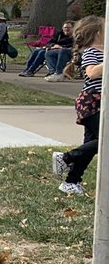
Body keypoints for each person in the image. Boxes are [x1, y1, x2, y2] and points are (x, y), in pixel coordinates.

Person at [52, 16, 103, 195]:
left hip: (99, 101)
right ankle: (65, 158)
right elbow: (92, 72)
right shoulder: (92, 51)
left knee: (90, 145)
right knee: (105, 140)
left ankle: (71, 182)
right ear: (97, 33)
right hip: (92, 101)